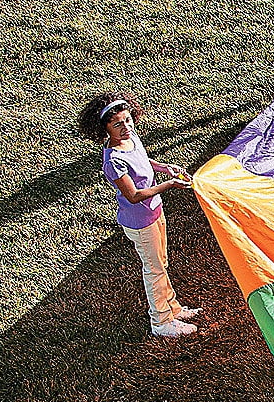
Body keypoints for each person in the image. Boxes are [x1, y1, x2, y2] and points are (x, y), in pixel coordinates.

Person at [77, 93, 201, 339]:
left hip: (155, 211)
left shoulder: (131, 138)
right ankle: (161, 322)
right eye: (117, 125)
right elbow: (133, 195)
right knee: (153, 269)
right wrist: (168, 185)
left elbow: (142, 159)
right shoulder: (113, 161)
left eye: (127, 120)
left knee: (161, 263)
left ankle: (173, 308)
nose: (126, 127)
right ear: (105, 130)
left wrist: (164, 168)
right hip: (140, 222)